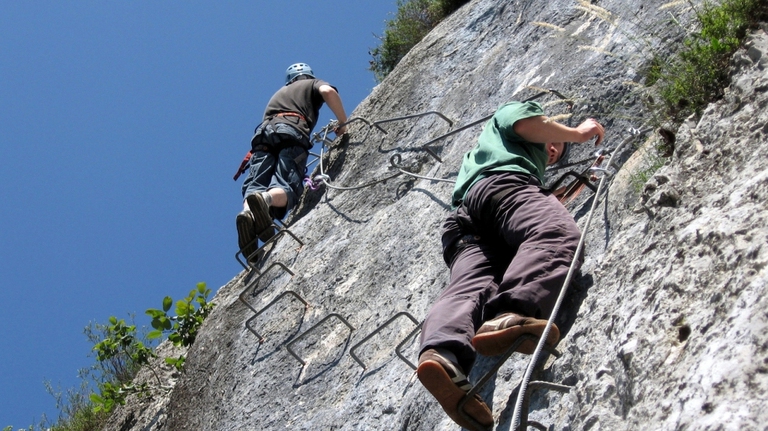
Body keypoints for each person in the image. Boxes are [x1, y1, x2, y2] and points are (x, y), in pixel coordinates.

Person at [416, 100, 604, 430]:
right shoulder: (513, 120)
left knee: (473, 284)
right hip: (501, 188)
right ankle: (512, 313)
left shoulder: (493, 160)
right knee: (556, 233)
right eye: (552, 143)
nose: (555, 150)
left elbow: (531, 202)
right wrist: (576, 133)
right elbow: (524, 124)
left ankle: (441, 354)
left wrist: (572, 181)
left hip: (465, 222)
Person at [235, 63, 348, 259]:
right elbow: (328, 91)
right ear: (307, 75)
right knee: (287, 184)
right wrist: (343, 124)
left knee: (256, 184)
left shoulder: (280, 93)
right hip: (290, 130)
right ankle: (265, 201)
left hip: (262, 136)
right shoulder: (312, 83)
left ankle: (248, 214)